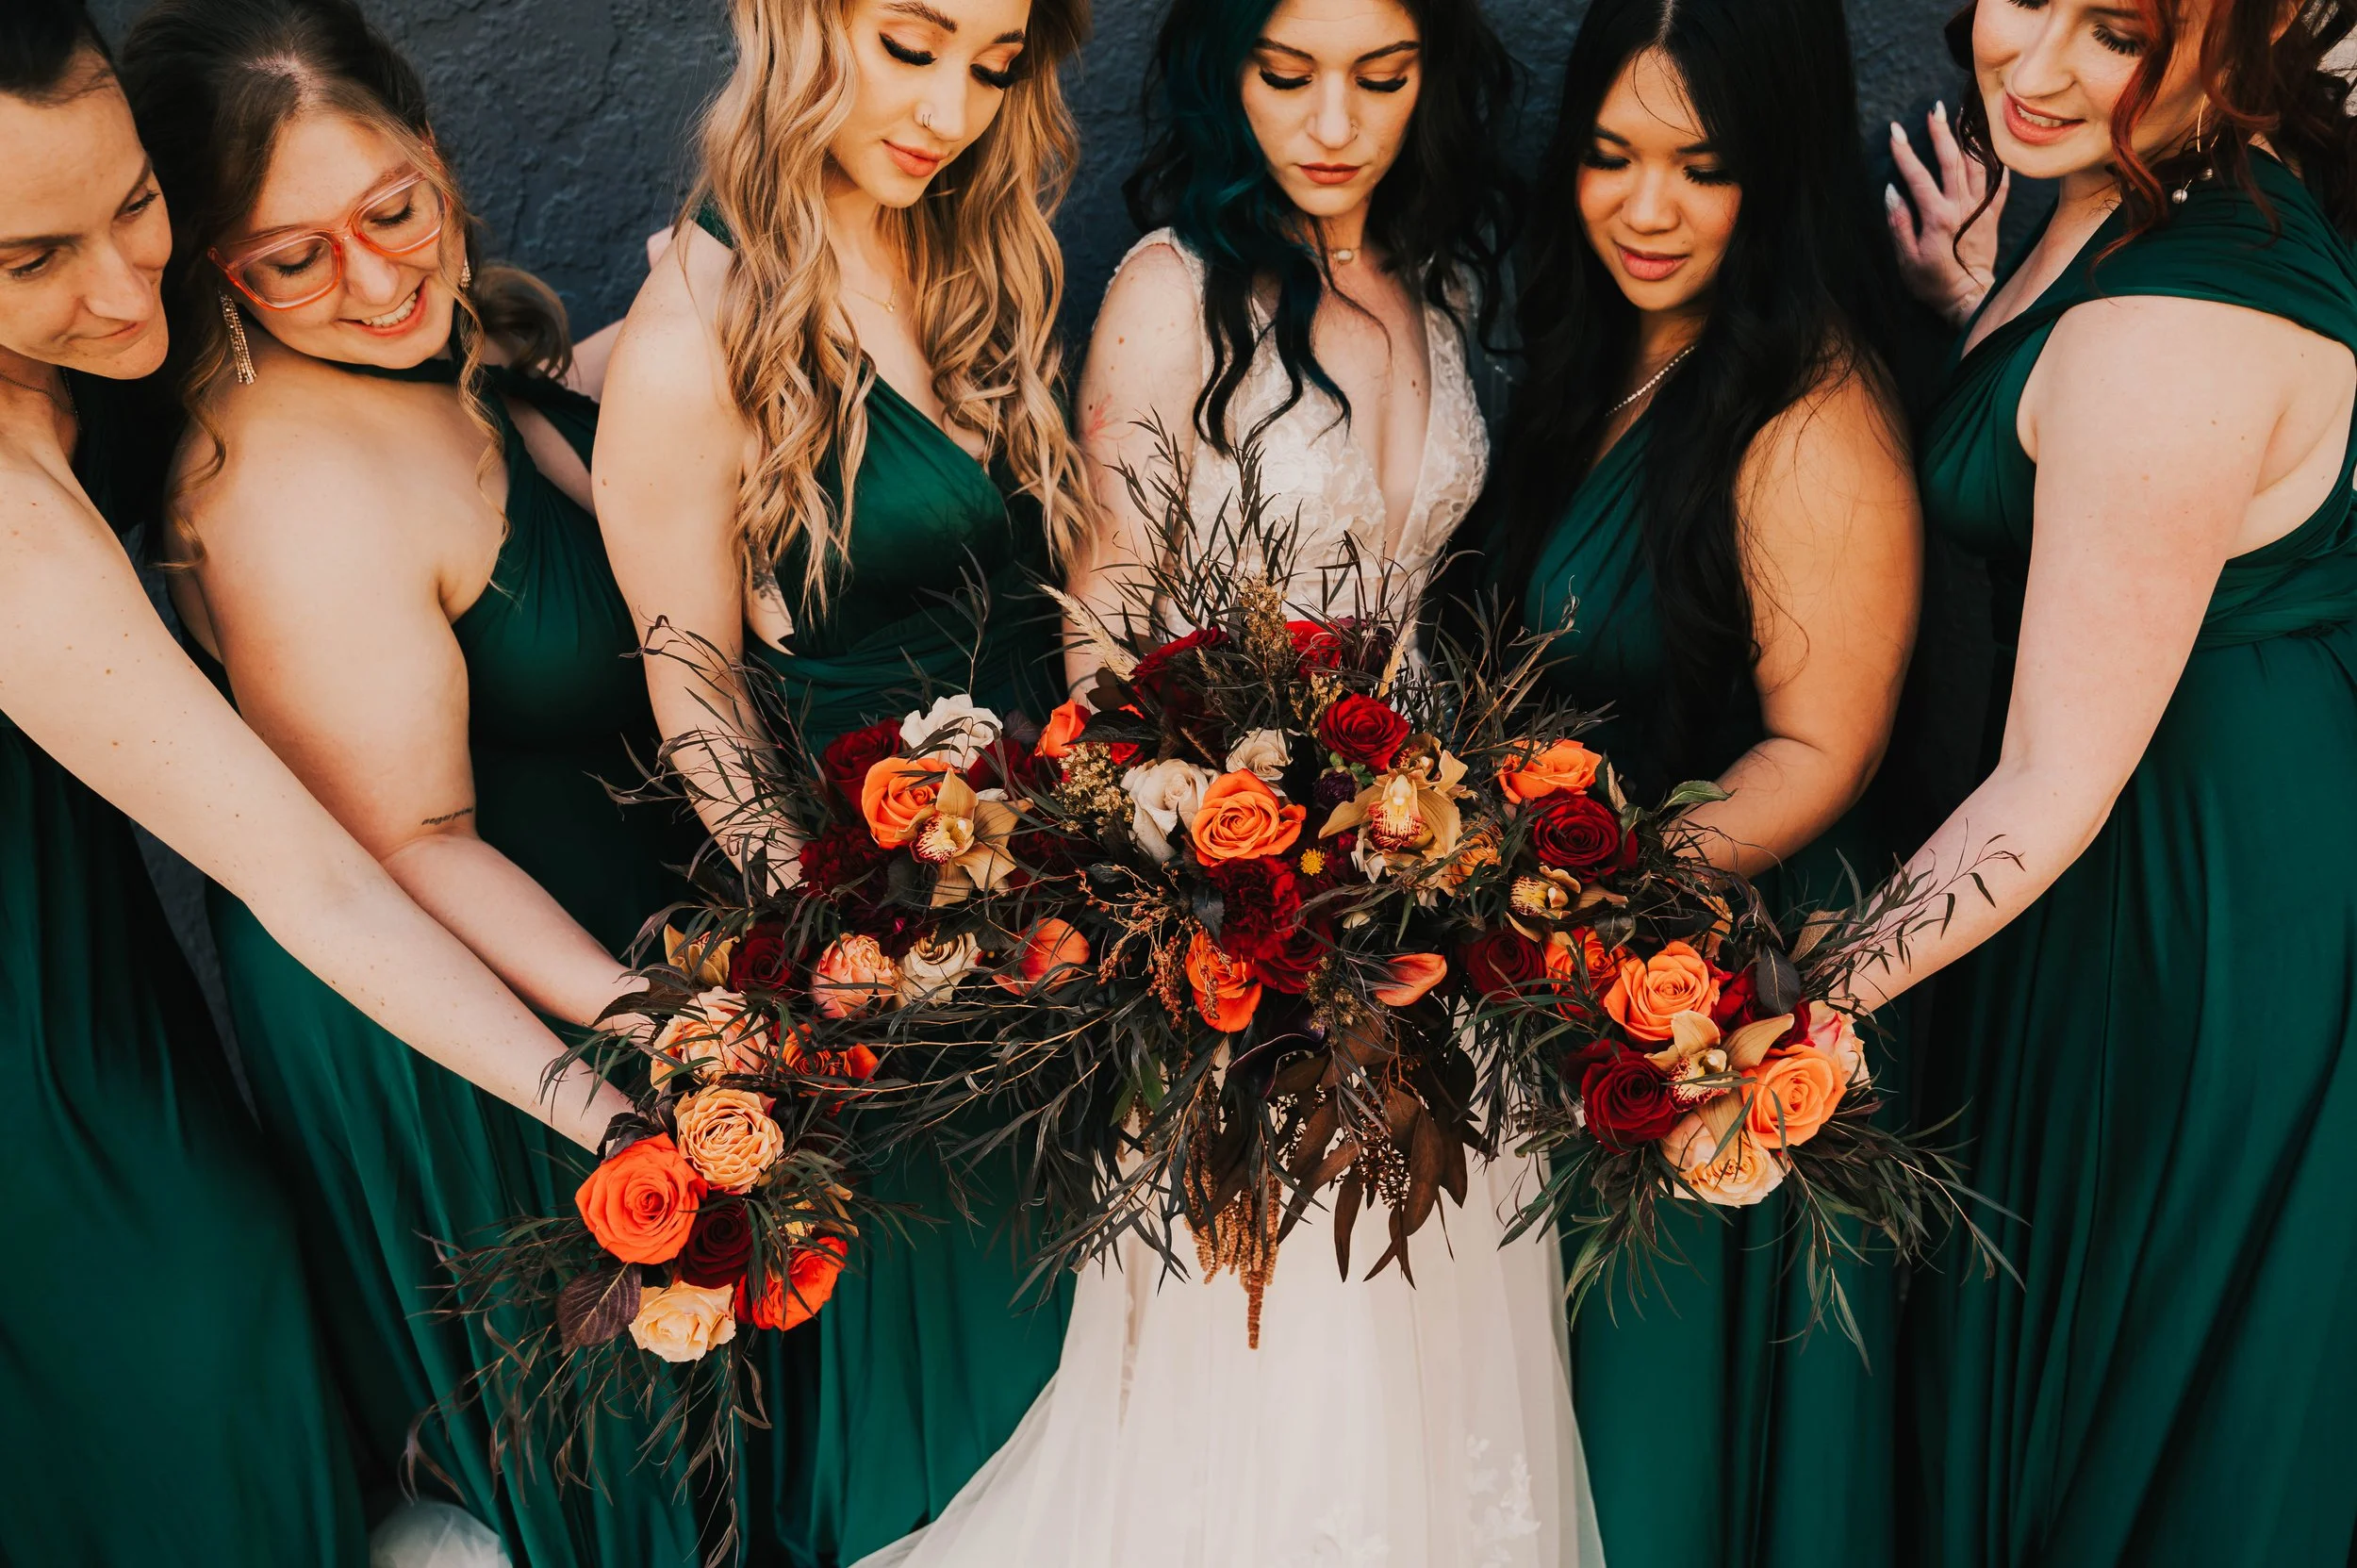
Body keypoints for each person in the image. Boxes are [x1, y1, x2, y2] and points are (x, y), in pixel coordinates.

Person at [865, 4, 1598, 1565]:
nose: (1334, 120)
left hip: (1423, 907)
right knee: (1272, 1346)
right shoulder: (1172, 291)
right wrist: (1221, 871)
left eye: (1381, 79)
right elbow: (1107, 624)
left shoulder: (1449, 283)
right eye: (1290, 76)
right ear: (1227, 73)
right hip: (1244, 915)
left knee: (1432, 1337)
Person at [0, 5, 639, 1561]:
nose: (118, 280)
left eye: (138, 204)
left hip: (113, 997)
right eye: (29, 257)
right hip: (38, 1090)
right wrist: (616, 1111)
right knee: (192, 1414)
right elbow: (322, 872)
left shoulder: (127, 343)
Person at [594, 0, 1096, 1560]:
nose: (950, 104)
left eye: (994, 62)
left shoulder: (976, 251)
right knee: (964, 1422)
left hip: (1073, 936)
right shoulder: (698, 330)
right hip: (899, 985)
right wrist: (841, 945)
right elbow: (694, 694)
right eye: (912, 41)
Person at [1858, 0, 2357, 1562]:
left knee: (2136, 1427)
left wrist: (1792, 997)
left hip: (2183, 906)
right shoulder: (2129, 205)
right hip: (2126, 848)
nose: (2035, 64)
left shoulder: (2171, 331)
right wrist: (1983, 317)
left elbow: (2051, 779)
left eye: (2118, 29)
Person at [1493, 0, 1924, 1562]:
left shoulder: (1808, 409)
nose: (1646, 207)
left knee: (1663, 1446)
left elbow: (1825, 749)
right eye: (1610, 156)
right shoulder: (1610, 354)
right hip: (1600, 964)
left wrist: (1584, 892)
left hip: (1722, 982)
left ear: (1780, 174)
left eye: (1702, 166)